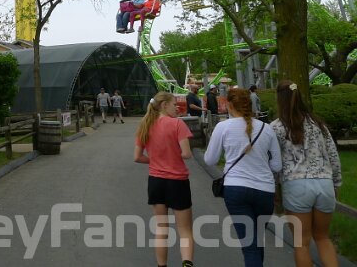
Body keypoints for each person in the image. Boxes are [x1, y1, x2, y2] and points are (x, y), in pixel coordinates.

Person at [204, 88, 282, 266]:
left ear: (229, 105)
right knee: (256, 240)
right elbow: (277, 165)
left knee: (250, 245)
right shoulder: (267, 129)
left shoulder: (223, 127)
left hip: (236, 189)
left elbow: (210, 159)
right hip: (265, 191)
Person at [271, 80, 342, 267]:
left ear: (279, 99)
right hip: (324, 183)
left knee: (301, 243)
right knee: (323, 238)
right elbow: (333, 156)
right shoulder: (318, 124)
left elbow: (273, 163)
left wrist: (274, 189)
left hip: (296, 186)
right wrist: (336, 183)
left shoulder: (276, 128)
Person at [134, 92, 195, 267]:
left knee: (161, 230)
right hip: (177, 181)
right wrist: (172, 156)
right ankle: (187, 264)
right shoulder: (177, 124)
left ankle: (162, 265)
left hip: (156, 181)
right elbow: (187, 154)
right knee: (185, 230)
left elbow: (137, 157)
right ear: (164, 105)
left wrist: (155, 160)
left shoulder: (145, 125)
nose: (177, 108)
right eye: (174, 104)